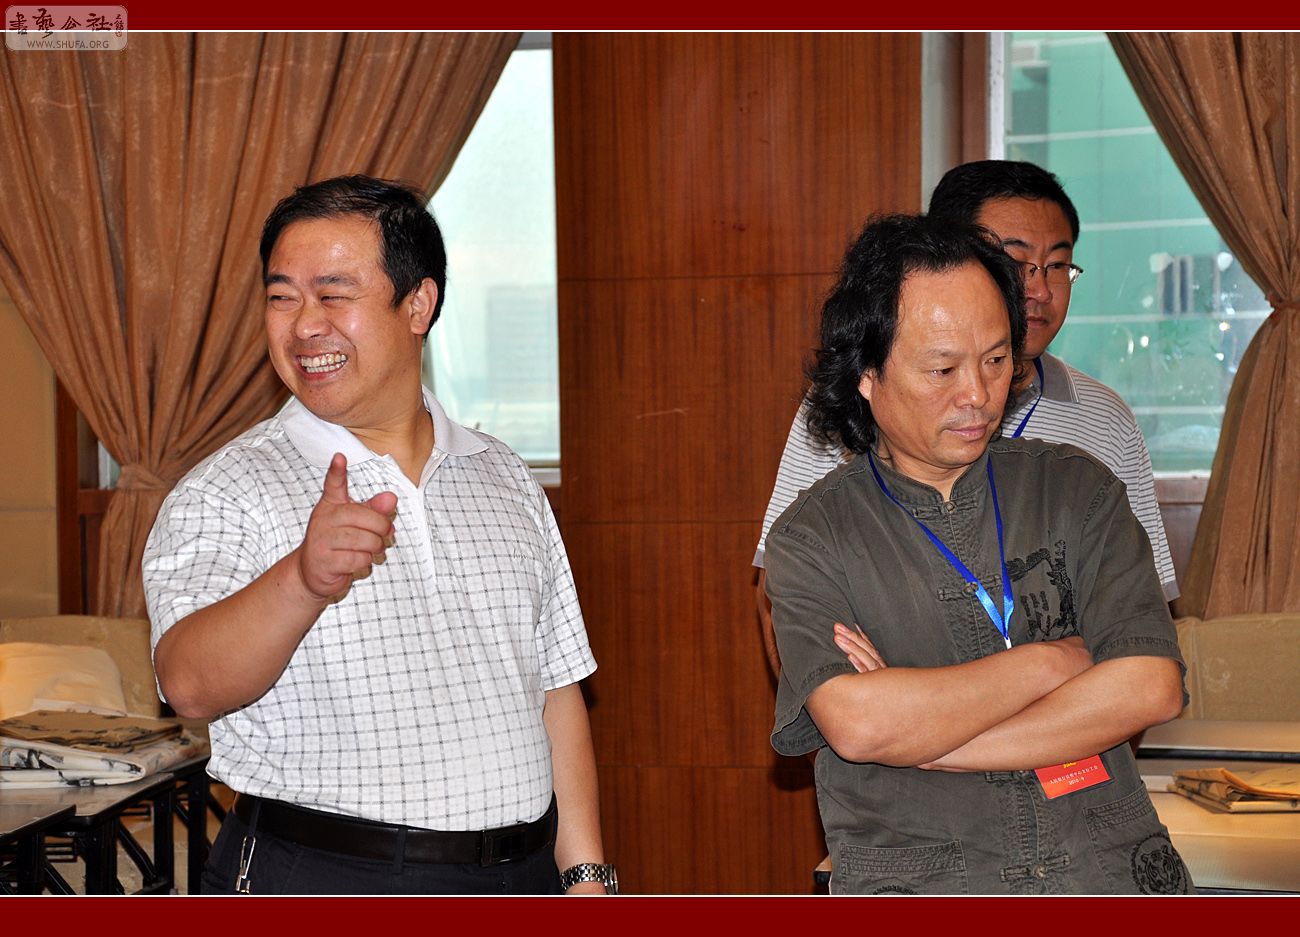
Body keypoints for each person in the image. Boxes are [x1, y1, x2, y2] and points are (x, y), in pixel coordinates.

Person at [143, 175, 615, 896]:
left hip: (518, 876)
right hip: (322, 876)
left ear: (418, 304)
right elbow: (187, 684)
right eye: (281, 297)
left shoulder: (503, 477)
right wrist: (303, 579)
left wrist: (585, 879)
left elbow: (555, 688)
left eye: (333, 294)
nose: (304, 326)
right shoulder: (226, 488)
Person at [766, 213, 1192, 894]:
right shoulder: (815, 537)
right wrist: (1056, 660)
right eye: (942, 369)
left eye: (996, 361)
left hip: (1103, 870)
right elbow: (860, 723)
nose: (977, 395)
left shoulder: (1075, 489)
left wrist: (934, 741)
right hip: (927, 883)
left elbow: (1149, 685)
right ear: (867, 373)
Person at [755, 160, 1177, 675]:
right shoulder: (852, 410)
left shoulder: (1100, 433)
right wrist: (1049, 667)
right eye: (1016, 262)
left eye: (1056, 265)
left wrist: (906, 704)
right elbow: (792, 615)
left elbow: (1143, 650)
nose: (1038, 289)